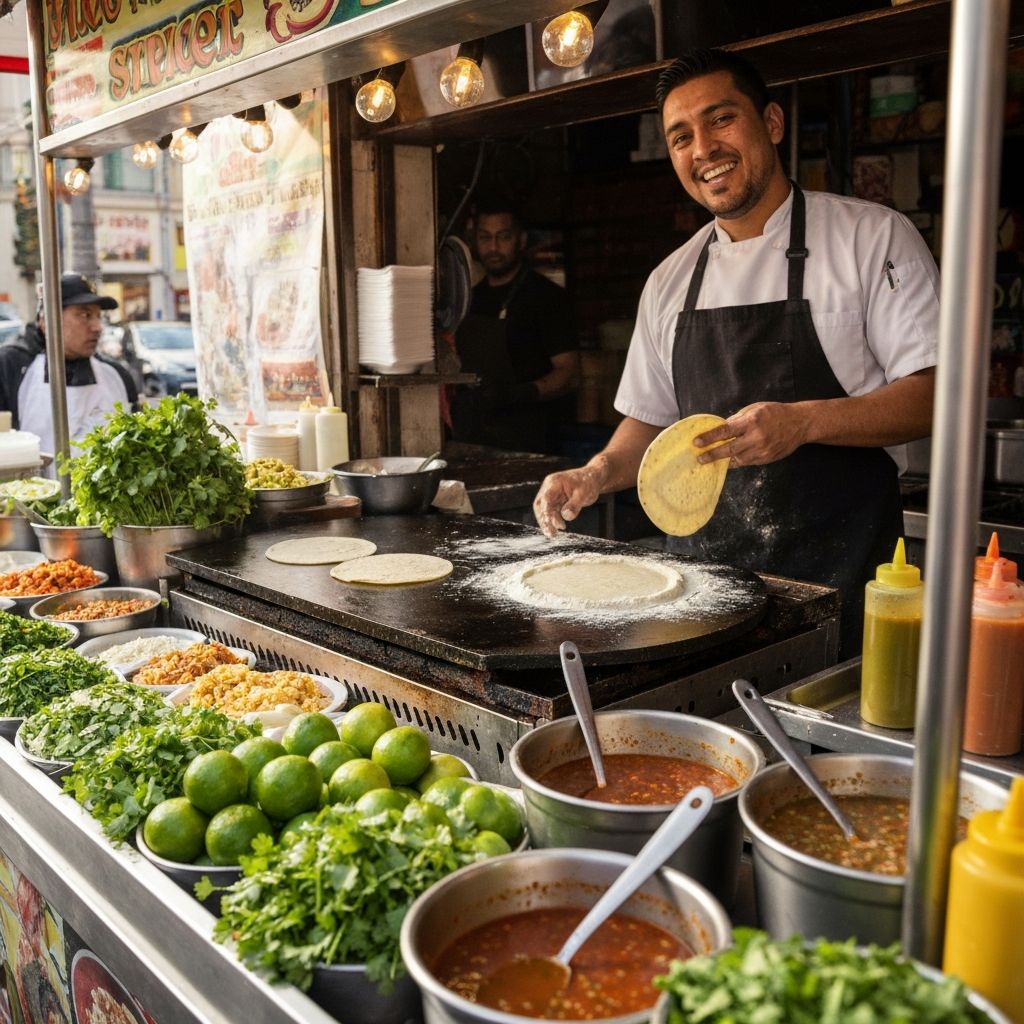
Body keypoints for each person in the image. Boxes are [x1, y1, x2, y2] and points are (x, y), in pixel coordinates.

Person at [533, 48, 939, 657]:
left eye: (721, 120)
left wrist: (802, 422)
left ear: (771, 123)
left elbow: (936, 396)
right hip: (703, 596)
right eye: (681, 137)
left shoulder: (870, 237)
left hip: (842, 584)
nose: (703, 149)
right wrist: (597, 473)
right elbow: (649, 418)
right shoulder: (670, 280)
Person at [450, 196, 579, 454]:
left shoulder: (546, 297)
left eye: (503, 237)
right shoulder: (468, 298)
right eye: (485, 237)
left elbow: (569, 373)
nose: (493, 247)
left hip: (528, 443)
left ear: (520, 240)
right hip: (471, 440)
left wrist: (521, 393)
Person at [0, 273, 138, 458]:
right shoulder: (10, 367)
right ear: (46, 320)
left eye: (98, 316)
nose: (97, 327)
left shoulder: (116, 375)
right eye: (85, 315)